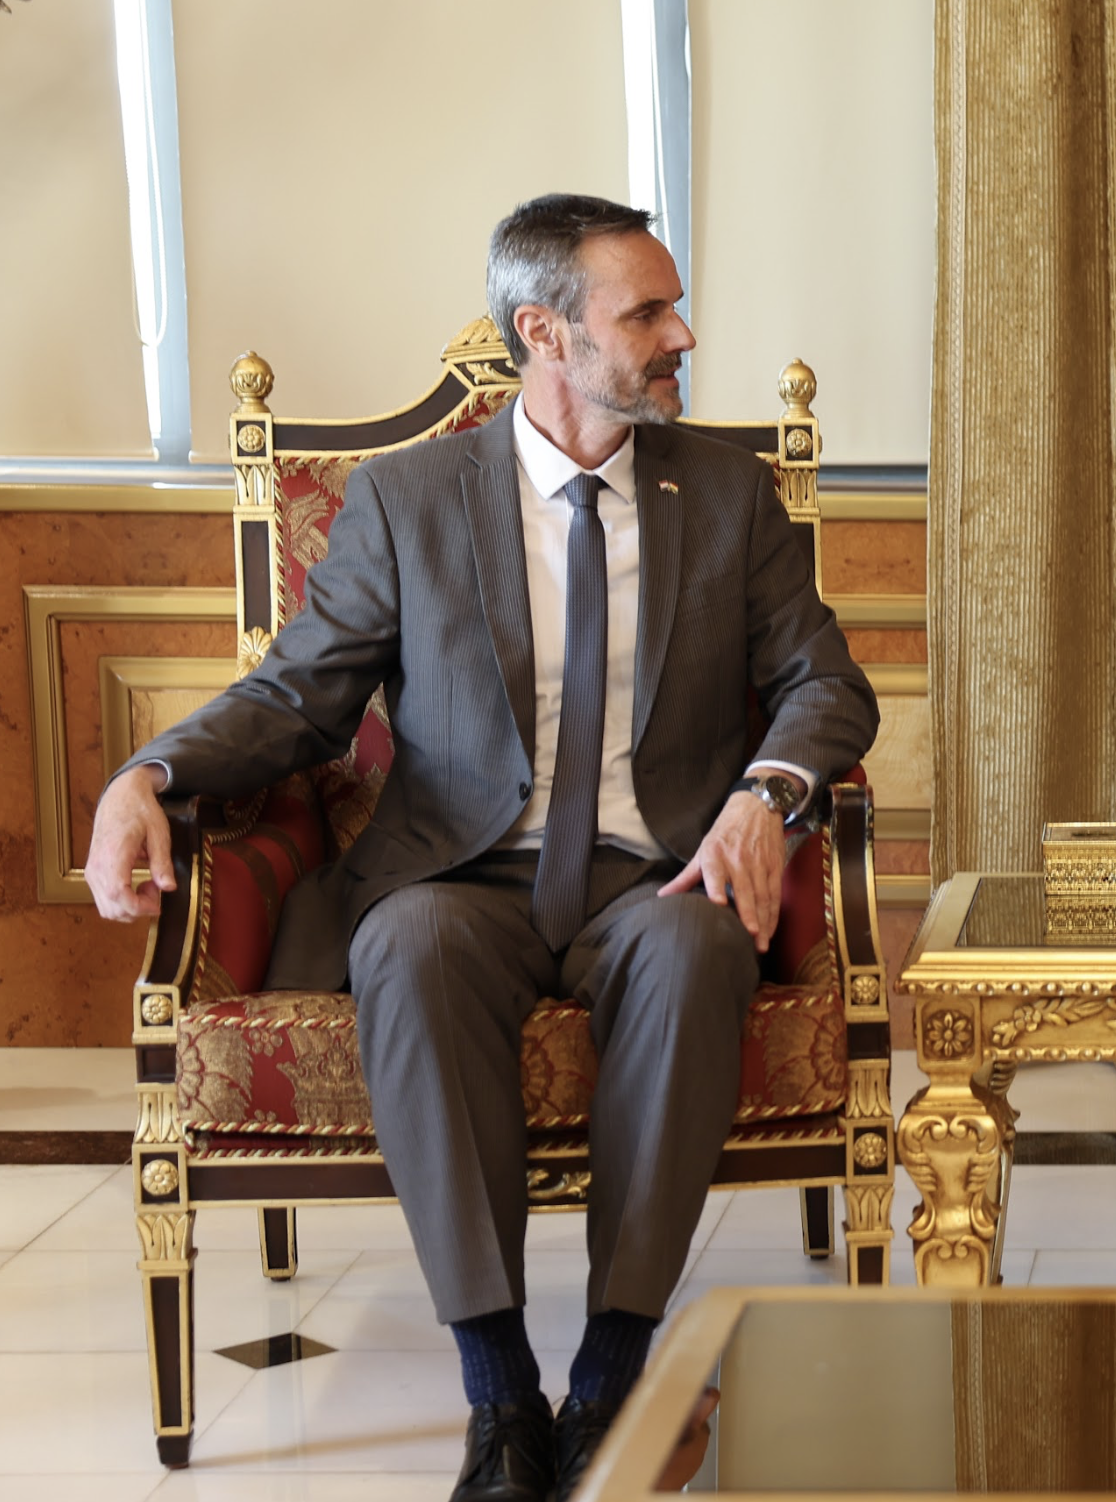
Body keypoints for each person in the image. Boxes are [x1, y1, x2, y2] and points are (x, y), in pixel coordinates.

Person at [85, 193, 877, 1502]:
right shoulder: (409, 500)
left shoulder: (725, 494)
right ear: (545, 332)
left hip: (658, 867)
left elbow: (824, 683)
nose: (682, 335)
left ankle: (612, 1379)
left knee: (693, 948)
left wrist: (766, 790)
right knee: (410, 941)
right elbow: (298, 695)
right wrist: (148, 771)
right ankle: (500, 1393)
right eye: (648, 313)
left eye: (675, 307)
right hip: (460, 870)